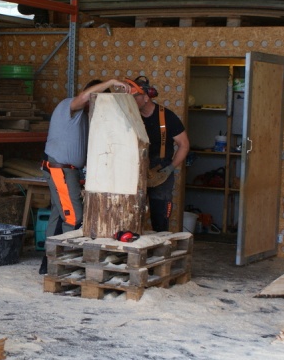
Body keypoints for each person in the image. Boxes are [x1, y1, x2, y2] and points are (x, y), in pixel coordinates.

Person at [38, 78, 126, 274]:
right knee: (73, 217)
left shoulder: (85, 117)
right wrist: (112, 81)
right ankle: (68, 264)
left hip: (69, 170)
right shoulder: (69, 106)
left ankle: (49, 262)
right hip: (60, 169)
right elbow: (85, 97)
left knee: (58, 216)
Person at [125, 76, 190, 232]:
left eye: (134, 97)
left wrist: (171, 167)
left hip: (160, 172)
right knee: (130, 217)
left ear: (146, 97)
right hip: (134, 171)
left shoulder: (167, 117)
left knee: (160, 218)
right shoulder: (129, 116)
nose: (131, 101)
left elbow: (184, 145)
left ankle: (160, 244)